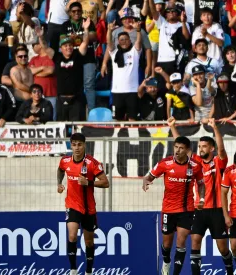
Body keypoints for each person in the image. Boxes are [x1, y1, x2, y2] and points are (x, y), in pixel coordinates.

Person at [168, 117, 233, 275]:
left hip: (217, 210)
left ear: (211, 148)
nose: (201, 149)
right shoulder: (196, 162)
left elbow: (222, 150)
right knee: (195, 241)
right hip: (199, 209)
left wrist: (215, 129)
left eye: (204, 146)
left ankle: (230, 270)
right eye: (200, 146)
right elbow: (183, 147)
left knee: (222, 248)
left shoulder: (218, 162)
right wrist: (173, 127)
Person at [142, 136, 204, 275]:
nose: (177, 150)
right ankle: (166, 261)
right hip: (168, 209)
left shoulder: (195, 166)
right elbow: (149, 176)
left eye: (181, 148)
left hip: (186, 209)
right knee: (167, 244)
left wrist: (202, 199)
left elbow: (201, 183)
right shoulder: (165, 163)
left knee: (181, 242)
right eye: (176, 147)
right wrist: (146, 181)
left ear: (188, 150)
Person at [57, 133, 110, 275]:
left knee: (89, 242)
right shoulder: (65, 160)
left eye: (79, 144)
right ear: (71, 146)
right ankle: (73, 269)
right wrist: (59, 184)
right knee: (72, 236)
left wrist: (89, 182)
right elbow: (60, 170)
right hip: (72, 205)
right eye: (74, 144)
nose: (77, 148)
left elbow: (106, 183)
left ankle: (88, 271)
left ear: (84, 145)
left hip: (88, 208)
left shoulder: (92, 163)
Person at [37, 18, 91, 121]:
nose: (68, 47)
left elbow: (84, 42)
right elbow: (45, 47)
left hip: (76, 99)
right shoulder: (57, 57)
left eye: (70, 45)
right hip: (61, 99)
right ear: (61, 48)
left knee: (77, 129)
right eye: (65, 46)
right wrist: (41, 36)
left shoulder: (77, 55)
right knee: (61, 128)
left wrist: (86, 30)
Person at [61, 2, 98, 112]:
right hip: (73, 59)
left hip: (88, 58)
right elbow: (62, 41)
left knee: (89, 86)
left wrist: (78, 36)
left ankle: (92, 113)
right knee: (75, 86)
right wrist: (71, 39)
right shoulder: (65, 25)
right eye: (74, 11)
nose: (76, 13)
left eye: (79, 11)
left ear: (82, 11)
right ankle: (77, 112)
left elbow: (94, 37)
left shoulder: (87, 22)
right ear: (70, 13)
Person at [107, 20, 143, 121]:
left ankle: (134, 137)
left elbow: (139, 42)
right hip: (117, 92)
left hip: (132, 92)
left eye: (126, 39)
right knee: (118, 120)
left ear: (130, 41)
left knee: (133, 119)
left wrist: (138, 31)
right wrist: (109, 31)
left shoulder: (135, 52)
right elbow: (109, 42)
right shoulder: (114, 53)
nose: (124, 41)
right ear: (118, 41)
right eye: (121, 40)